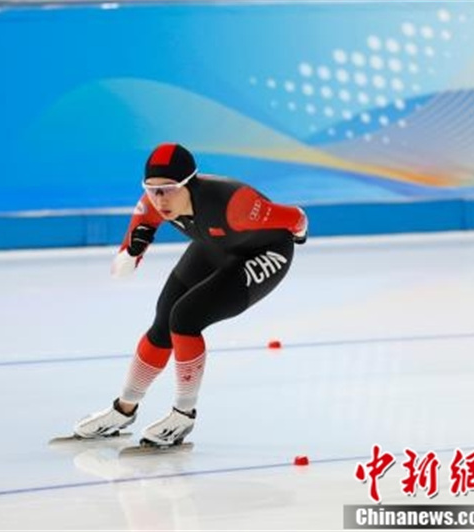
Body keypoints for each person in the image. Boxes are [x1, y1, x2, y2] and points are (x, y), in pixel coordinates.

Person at [73, 143, 308, 447]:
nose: (160, 199)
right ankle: (124, 409)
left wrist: (299, 236)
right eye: (152, 190)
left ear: (189, 184)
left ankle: (183, 415)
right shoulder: (151, 205)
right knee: (163, 321)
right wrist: (133, 251)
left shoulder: (234, 204)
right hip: (214, 247)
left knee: (185, 317)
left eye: (169, 189)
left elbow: (297, 218)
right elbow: (121, 271)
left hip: (265, 251)